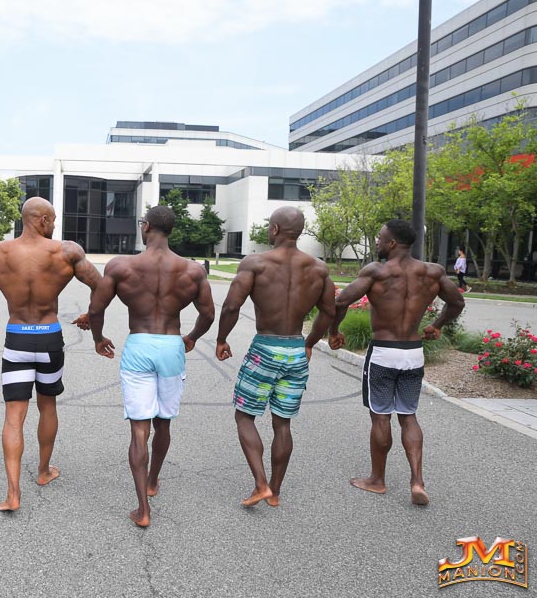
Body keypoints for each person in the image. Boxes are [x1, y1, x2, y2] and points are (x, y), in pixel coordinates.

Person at [0, 197, 101, 512]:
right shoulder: (67, 251)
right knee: (47, 406)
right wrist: (90, 315)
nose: (55, 226)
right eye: (54, 220)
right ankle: (44, 471)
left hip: (17, 340)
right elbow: (101, 286)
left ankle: (12, 493)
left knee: (13, 416)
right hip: (49, 339)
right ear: (43, 220)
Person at [88, 205, 215, 527]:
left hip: (139, 344)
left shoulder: (121, 266)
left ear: (145, 227)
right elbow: (208, 314)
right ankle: (154, 480)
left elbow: (96, 309)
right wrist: (191, 338)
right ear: (170, 230)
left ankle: (142, 509)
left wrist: (98, 338)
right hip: (171, 345)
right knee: (164, 423)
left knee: (139, 429)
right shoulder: (192, 270)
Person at [329, 220, 464, 506]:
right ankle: (417, 481)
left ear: (392, 243)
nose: (378, 242)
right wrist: (437, 324)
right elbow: (457, 303)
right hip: (413, 353)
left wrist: (334, 332)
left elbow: (341, 302)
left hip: (383, 352)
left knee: (380, 416)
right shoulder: (433, 272)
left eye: (380, 238)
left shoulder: (377, 272)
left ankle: (377, 480)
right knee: (408, 415)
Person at [215, 206, 335, 509]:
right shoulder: (319, 268)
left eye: (270, 226)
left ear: (276, 229)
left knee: (245, 416)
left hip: (265, 348)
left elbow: (231, 306)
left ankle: (261, 484)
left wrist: (221, 339)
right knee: (283, 424)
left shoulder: (255, 263)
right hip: (295, 349)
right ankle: (275, 491)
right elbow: (328, 312)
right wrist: (310, 343)